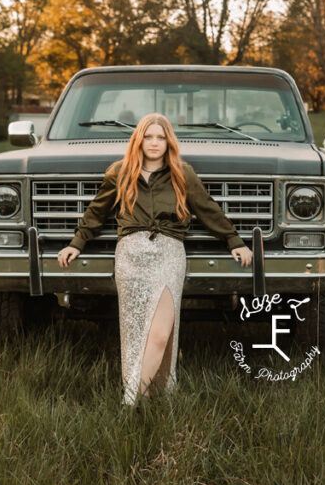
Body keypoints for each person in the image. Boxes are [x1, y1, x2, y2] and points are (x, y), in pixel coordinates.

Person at [57, 113, 253, 406]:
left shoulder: (182, 174)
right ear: (138, 139)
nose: (154, 142)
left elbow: (208, 209)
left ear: (168, 142)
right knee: (136, 333)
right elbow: (96, 213)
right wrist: (76, 243)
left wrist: (234, 241)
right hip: (131, 255)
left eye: (160, 137)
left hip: (169, 255)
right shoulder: (120, 172)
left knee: (160, 335)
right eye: (148, 136)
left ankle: (130, 402)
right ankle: (145, 403)